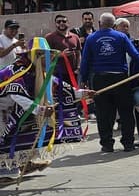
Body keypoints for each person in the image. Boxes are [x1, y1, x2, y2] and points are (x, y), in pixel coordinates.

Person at [0, 37, 91, 179]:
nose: (46, 59)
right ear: (33, 55)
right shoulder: (17, 69)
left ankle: (23, 161)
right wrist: (41, 110)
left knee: (29, 127)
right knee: (3, 135)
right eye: (42, 55)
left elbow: (61, 88)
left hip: (13, 108)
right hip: (4, 108)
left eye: (48, 56)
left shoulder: (40, 72)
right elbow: (16, 95)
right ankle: (5, 168)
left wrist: (82, 94)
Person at [79, 13, 139, 153]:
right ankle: (128, 143)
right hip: (120, 79)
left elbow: (84, 62)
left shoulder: (91, 38)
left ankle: (107, 144)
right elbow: (136, 55)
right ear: (114, 25)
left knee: (103, 113)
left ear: (99, 23)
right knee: (126, 112)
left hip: (100, 80)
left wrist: (83, 80)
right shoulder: (121, 37)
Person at [46, 14, 82, 84]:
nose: (61, 23)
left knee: (73, 94)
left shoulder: (75, 37)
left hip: (73, 73)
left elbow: (78, 53)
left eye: (64, 21)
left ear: (68, 23)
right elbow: (46, 56)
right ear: (55, 24)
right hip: (57, 74)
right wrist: (61, 55)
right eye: (59, 22)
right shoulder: (49, 37)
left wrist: (78, 67)